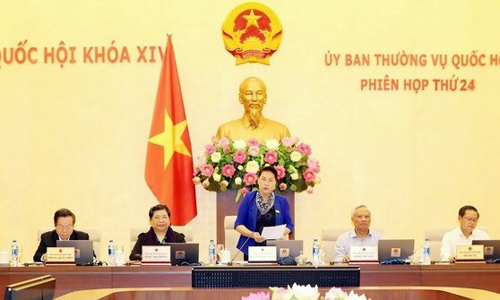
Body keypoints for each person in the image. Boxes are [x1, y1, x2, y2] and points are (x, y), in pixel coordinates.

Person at [234, 166, 294, 260]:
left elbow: (290, 225)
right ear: (258, 181)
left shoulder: (282, 201)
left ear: (275, 184)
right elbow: (238, 224)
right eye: (263, 179)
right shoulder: (248, 198)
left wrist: (279, 233)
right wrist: (252, 234)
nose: (266, 183)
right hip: (251, 249)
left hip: (275, 249)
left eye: (270, 180)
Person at [216, 77, 291, 141]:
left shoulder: (281, 131)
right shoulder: (225, 131)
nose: (254, 99)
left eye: (259, 94)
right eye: (249, 94)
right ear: (240, 98)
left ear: (265, 98)